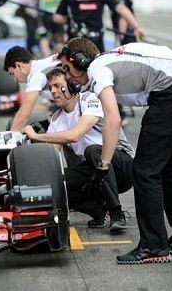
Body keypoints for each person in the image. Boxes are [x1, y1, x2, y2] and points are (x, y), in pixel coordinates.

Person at [58, 37, 172, 264]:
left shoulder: (98, 68)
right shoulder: (112, 59)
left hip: (171, 94)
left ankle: (154, 246)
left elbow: (113, 120)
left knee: (145, 171)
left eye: (67, 69)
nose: (68, 77)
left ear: (80, 60)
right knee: (166, 167)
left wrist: (103, 166)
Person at [22, 68, 134, 232]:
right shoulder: (57, 119)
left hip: (122, 166)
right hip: (94, 172)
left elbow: (74, 135)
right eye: (50, 87)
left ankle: (116, 212)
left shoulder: (89, 100)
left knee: (92, 151)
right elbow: (52, 156)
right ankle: (97, 210)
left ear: (73, 85)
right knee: (55, 181)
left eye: (57, 85)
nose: (52, 91)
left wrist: (37, 136)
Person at [3, 46, 60, 131]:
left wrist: (10, 141)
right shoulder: (44, 63)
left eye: (12, 73)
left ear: (18, 66)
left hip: (82, 103)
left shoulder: (36, 73)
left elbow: (23, 116)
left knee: (16, 125)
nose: (15, 79)